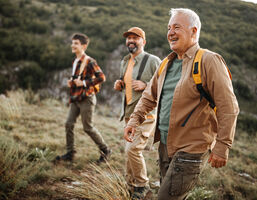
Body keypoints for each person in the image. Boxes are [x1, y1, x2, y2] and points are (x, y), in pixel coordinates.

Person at [124, 8, 239, 200]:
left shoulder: (209, 60)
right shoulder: (165, 63)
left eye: (177, 27)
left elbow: (228, 106)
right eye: (169, 28)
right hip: (165, 146)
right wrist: (133, 121)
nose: (170, 32)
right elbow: (148, 97)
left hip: (191, 149)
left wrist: (223, 145)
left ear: (194, 31)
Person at [114, 27, 161, 199]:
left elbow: (164, 87)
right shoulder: (125, 61)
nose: (131, 40)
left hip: (145, 115)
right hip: (128, 114)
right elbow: (126, 84)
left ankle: (142, 186)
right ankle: (130, 185)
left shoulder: (154, 61)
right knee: (129, 150)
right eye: (129, 38)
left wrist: (145, 85)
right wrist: (119, 85)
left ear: (144, 41)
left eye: (136, 37)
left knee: (132, 150)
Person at [56, 33, 111, 164]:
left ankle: (106, 150)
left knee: (88, 127)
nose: (72, 45)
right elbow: (79, 77)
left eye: (76, 43)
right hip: (76, 98)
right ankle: (70, 153)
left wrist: (85, 83)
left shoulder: (90, 61)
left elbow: (102, 77)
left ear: (84, 46)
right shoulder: (75, 61)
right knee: (68, 124)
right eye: (72, 43)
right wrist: (72, 81)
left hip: (87, 98)